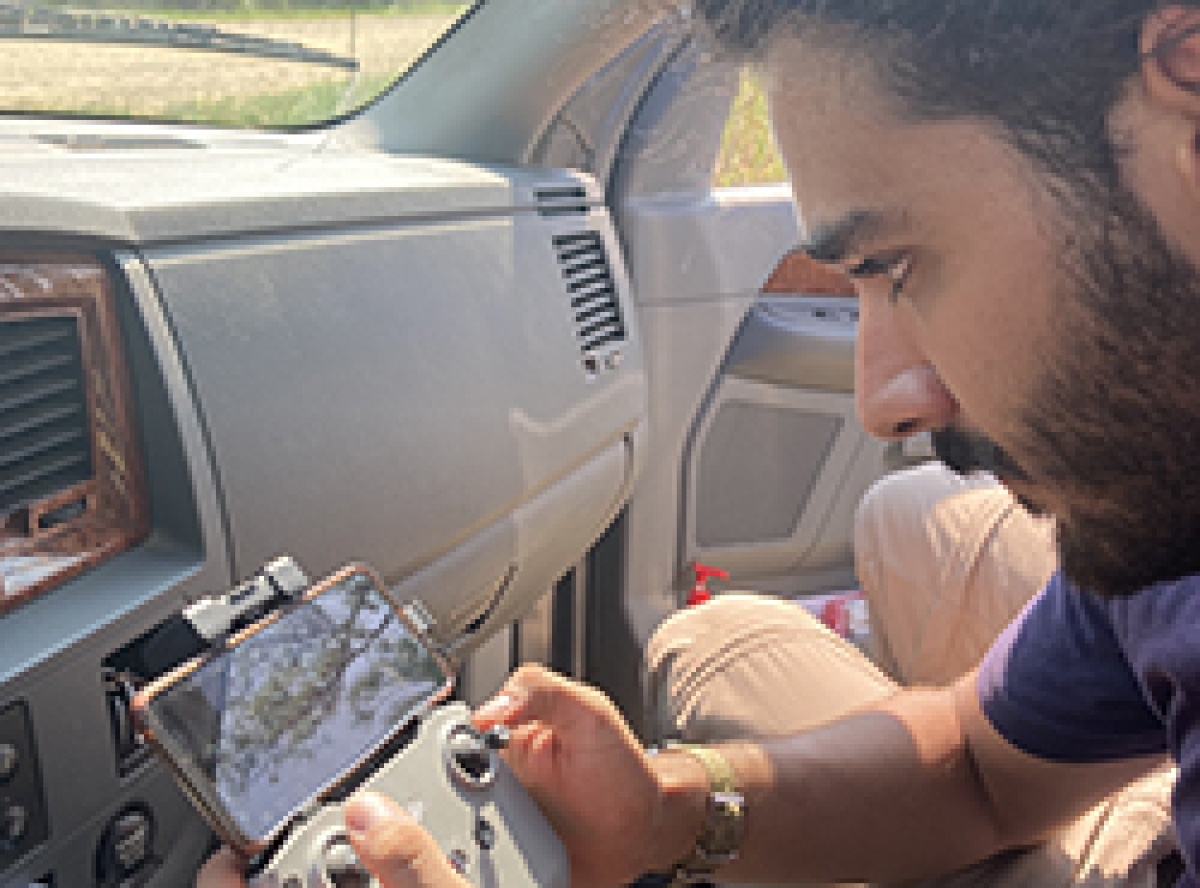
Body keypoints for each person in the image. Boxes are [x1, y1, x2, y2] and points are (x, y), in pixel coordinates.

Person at [202, 2, 1200, 886]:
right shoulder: (1166, 501)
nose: (882, 404)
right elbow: (983, 770)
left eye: (895, 263)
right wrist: (666, 813)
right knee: (729, 630)